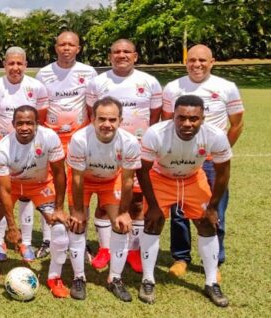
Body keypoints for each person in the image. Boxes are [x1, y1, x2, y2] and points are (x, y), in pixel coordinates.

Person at [136, 95, 231, 307]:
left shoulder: (215, 135)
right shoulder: (156, 133)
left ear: (203, 118)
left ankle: (211, 282)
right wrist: (152, 205)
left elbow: (223, 172)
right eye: (181, 118)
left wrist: (213, 207)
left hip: (193, 178)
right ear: (173, 117)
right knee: (153, 223)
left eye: (194, 119)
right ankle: (148, 279)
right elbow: (142, 171)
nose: (187, 123)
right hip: (161, 178)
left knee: (207, 224)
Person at [161, 44, 244, 278]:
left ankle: (214, 261)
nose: (197, 65)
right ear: (185, 62)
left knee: (214, 209)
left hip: (210, 161)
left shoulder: (226, 87)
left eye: (202, 60)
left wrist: (219, 153)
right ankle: (180, 257)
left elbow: (237, 124)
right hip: (180, 159)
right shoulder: (172, 87)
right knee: (179, 210)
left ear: (212, 62)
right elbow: (166, 123)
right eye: (192, 60)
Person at [84, 39, 162, 272]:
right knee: (105, 200)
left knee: (137, 200)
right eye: (116, 51)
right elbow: (92, 114)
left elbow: (156, 117)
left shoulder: (149, 82)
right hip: (105, 149)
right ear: (110, 56)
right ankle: (105, 248)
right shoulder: (98, 82)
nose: (121, 55)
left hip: (137, 151)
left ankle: (134, 250)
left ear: (135, 56)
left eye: (126, 51)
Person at [0, 105, 65, 295]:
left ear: (37, 124)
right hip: (11, 185)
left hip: (41, 184)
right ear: (13, 124)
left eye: (29, 123)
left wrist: (59, 208)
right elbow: (3, 188)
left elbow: (60, 173)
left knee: (59, 226)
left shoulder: (49, 137)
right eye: (20, 123)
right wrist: (11, 225)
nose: (25, 127)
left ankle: (54, 278)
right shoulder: (2, 147)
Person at [66, 97, 141, 301]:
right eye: (102, 119)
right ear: (93, 119)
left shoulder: (130, 142)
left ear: (120, 120)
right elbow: (77, 178)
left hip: (111, 181)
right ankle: (79, 277)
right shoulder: (80, 139)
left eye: (112, 119)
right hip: (85, 181)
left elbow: (127, 181)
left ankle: (115, 278)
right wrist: (80, 211)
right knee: (77, 224)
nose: (106, 124)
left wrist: (125, 212)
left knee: (120, 224)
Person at [0, 47, 49, 263]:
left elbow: (42, 117)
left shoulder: (37, 87)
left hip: (30, 149)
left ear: (26, 65)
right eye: (11, 63)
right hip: (6, 151)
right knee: (5, 193)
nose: (15, 68)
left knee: (26, 196)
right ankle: (0, 241)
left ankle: (25, 242)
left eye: (20, 63)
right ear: (4, 65)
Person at [35, 31, 98, 259]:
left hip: (79, 139)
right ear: (56, 47)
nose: (66, 48)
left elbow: (92, 107)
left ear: (78, 48)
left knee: (78, 188)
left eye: (71, 44)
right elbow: (40, 108)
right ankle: (48, 239)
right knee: (50, 188)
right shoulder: (44, 73)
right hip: (52, 139)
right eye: (62, 44)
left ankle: (80, 236)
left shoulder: (88, 72)